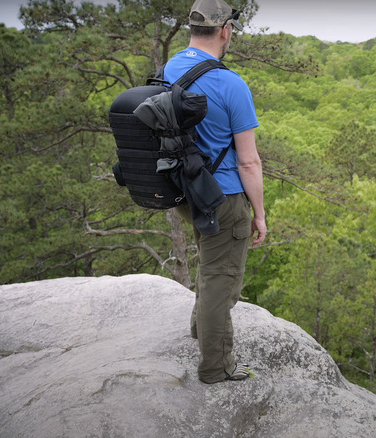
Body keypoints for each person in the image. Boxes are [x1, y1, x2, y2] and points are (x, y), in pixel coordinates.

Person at [165, 0, 267, 383]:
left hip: (188, 195)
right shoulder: (231, 84)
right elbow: (249, 163)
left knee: (210, 268)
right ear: (225, 31)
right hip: (223, 198)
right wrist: (258, 214)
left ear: (193, 29)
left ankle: (200, 330)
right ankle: (215, 366)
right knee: (222, 281)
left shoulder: (170, 68)